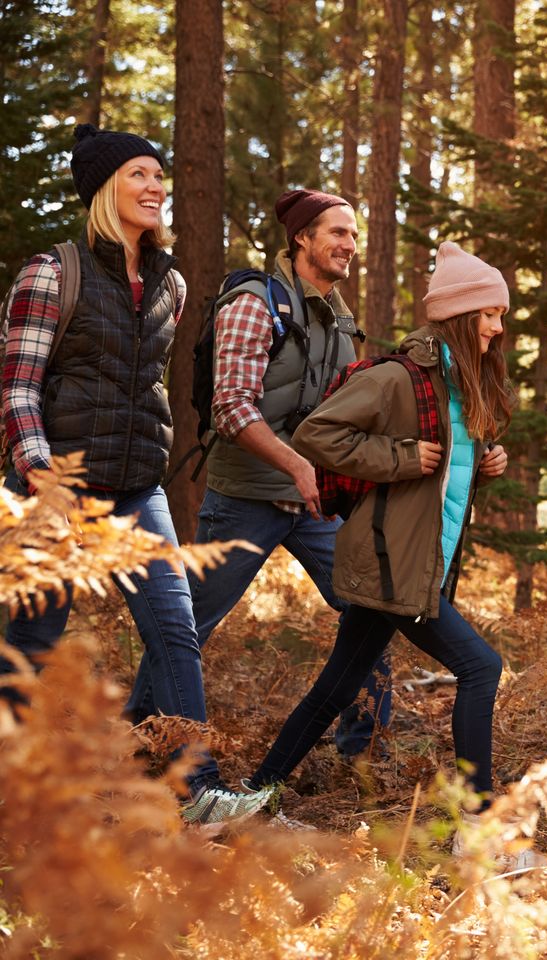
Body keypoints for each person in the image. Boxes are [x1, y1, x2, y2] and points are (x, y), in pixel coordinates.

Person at [0, 122, 273, 825]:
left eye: (160, 176)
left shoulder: (170, 284)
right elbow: (19, 386)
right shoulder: (52, 272)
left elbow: (143, 383)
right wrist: (40, 472)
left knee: (175, 628)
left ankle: (198, 791)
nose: (156, 188)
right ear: (102, 189)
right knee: (31, 644)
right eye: (139, 175)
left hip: (137, 489)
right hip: (55, 487)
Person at [245, 242, 512, 820]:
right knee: (480, 667)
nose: (497, 327)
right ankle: (480, 826)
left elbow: (439, 479)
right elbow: (318, 435)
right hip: (394, 561)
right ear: (461, 316)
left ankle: (248, 799)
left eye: (499, 316)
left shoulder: (459, 383)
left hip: (415, 558)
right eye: (489, 315)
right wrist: (399, 457)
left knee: (337, 687)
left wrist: (485, 465)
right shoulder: (399, 376)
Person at [125, 188, 394, 761]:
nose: (350, 245)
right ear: (302, 238)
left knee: (371, 607)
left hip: (316, 501)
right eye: (338, 233)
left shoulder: (342, 322)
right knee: (189, 627)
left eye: (353, 234)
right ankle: (143, 740)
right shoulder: (254, 302)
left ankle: (366, 757)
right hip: (246, 495)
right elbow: (231, 407)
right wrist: (298, 464)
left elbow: (358, 413)